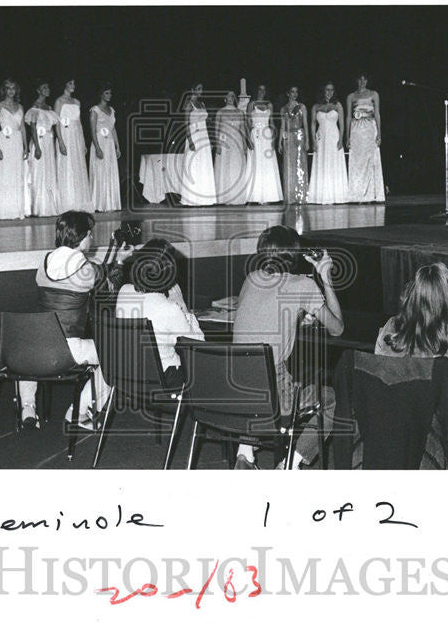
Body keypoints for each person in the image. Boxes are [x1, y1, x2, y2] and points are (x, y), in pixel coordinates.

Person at [231, 226, 343, 469]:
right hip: (273, 389)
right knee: (333, 399)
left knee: (257, 371)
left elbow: (257, 318)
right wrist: (325, 277)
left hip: (235, 388)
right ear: (293, 254)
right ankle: (291, 464)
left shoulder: (251, 279)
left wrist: (293, 317)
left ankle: (245, 452)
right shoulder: (302, 284)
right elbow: (337, 328)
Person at [17, 210, 130, 429]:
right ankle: (80, 412)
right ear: (84, 237)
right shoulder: (86, 270)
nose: (92, 239)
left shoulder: (45, 262)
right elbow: (109, 288)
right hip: (66, 350)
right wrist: (121, 263)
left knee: (32, 353)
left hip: (30, 345)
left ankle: (28, 408)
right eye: (90, 235)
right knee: (117, 355)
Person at [115, 239, 205, 387]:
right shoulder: (170, 309)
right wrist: (182, 305)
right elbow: (198, 348)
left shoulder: (124, 291)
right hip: (165, 379)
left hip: (129, 375)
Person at [374, 263, 448, 376]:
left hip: (396, 392)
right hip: (440, 393)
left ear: (412, 295)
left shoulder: (392, 326)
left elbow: (378, 359)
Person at [0, 78, 27, 220]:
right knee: (5, 174)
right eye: (8, 88)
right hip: (4, 141)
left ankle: (16, 210)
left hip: (16, 142)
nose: (11, 91)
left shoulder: (20, 107)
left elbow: (22, 127)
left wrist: (25, 146)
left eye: (13, 88)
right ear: (4, 90)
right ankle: (4, 210)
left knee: (16, 173)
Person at [307, 81, 349, 204]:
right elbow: (312, 125)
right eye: (327, 90)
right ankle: (322, 196)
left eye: (331, 90)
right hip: (321, 138)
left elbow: (341, 124)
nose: (329, 92)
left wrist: (341, 139)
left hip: (334, 137)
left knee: (333, 163)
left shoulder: (338, 105)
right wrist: (313, 141)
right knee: (322, 163)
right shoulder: (316, 107)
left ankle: (337, 196)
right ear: (323, 91)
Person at [345, 73, 385, 203]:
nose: (362, 82)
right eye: (360, 79)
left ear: (367, 81)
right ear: (356, 80)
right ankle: (357, 195)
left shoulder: (374, 94)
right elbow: (348, 117)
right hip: (356, 130)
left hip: (369, 128)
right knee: (357, 162)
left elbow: (377, 114)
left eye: (364, 79)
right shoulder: (351, 96)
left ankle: (370, 195)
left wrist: (379, 132)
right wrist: (347, 135)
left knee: (370, 160)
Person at [54, 79, 93, 211]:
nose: (73, 86)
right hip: (65, 136)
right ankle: (66, 202)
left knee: (77, 167)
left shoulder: (77, 102)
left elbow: (80, 123)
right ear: (64, 85)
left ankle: (79, 201)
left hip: (76, 137)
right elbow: (57, 123)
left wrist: (82, 142)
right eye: (70, 83)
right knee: (66, 166)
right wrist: (60, 141)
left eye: (74, 84)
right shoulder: (59, 101)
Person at [23, 80, 61, 217]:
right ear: (38, 90)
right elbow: (32, 127)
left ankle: (50, 206)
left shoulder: (48, 107)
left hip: (49, 143)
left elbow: (54, 126)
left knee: (49, 172)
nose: (47, 89)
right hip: (39, 141)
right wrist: (37, 147)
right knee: (39, 173)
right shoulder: (35, 107)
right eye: (44, 87)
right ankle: (39, 207)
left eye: (48, 87)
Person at [244, 84, 283, 204]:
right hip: (255, 134)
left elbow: (271, 123)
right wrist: (248, 139)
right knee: (255, 163)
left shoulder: (269, 105)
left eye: (264, 89)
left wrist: (274, 140)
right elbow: (247, 122)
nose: (262, 91)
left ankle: (268, 196)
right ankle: (254, 196)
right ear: (256, 91)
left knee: (267, 164)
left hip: (267, 135)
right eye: (260, 89)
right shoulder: (252, 104)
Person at [179, 83, 217, 206]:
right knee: (194, 166)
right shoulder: (188, 105)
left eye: (202, 88)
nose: (201, 91)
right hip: (194, 136)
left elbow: (206, 123)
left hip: (203, 136)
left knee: (204, 166)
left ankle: (205, 198)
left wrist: (210, 140)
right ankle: (192, 198)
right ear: (192, 90)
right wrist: (190, 141)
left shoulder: (202, 104)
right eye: (199, 88)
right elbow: (186, 124)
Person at [89, 82, 122, 212]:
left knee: (110, 172)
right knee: (100, 173)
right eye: (107, 93)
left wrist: (117, 146)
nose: (109, 95)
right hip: (100, 143)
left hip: (109, 144)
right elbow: (92, 131)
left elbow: (113, 129)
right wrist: (97, 147)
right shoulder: (95, 110)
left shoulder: (112, 110)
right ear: (101, 94)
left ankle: (111, 203)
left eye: (110, 93)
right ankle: (99, 203)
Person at [214, 90, 248, 205]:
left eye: (232, 96)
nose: (230, 98)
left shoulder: (240, 112)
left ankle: (237, 196)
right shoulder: (220, 112)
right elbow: (216, 129)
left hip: (237, 140)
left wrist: (244, 143)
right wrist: (217, 144)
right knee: (225, 167)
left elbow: (242, 129)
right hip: (224, 141)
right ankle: (224, 197)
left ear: (234, 98)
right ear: (225, 98)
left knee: (236, 167)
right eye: (228, 96)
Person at [279, 85, 310, 204]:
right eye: (292, 92)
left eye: (296, 92)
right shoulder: (284, 108)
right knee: (289, 165)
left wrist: (307, 140)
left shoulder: (302, 107)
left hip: (299, 135)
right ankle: (290, 196)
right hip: (288, 136)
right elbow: (282, 126)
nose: (294, 94)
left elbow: (305, 124)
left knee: (300, 164)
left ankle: (300, 195)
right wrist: (280, 143)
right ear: (288, 93)